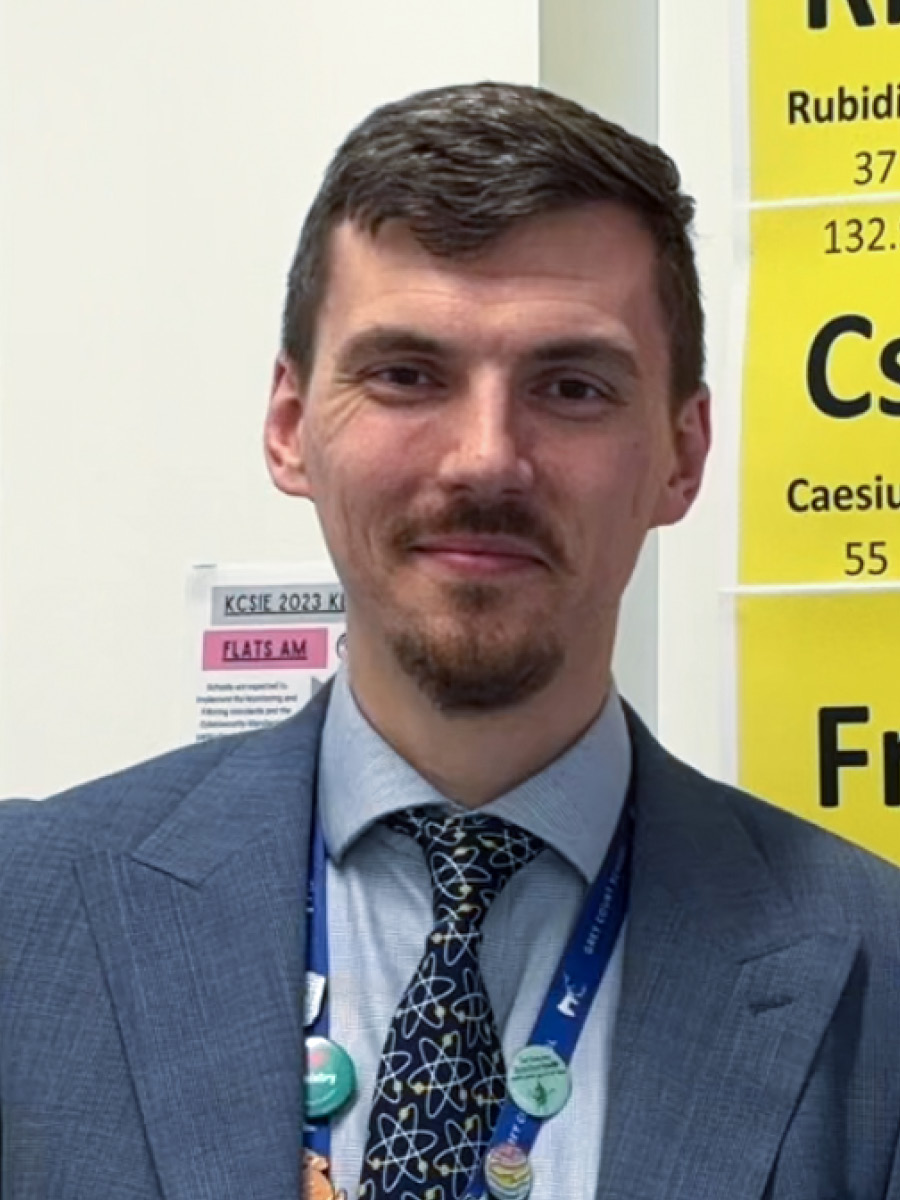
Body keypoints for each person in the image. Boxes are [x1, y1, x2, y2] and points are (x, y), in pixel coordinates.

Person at [1, 81, 899, 1200]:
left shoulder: (879, 973)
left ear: (682, 454)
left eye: (571, 387)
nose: (484, 458)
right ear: (289, 427)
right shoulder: (22, 915)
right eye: (406, 375)